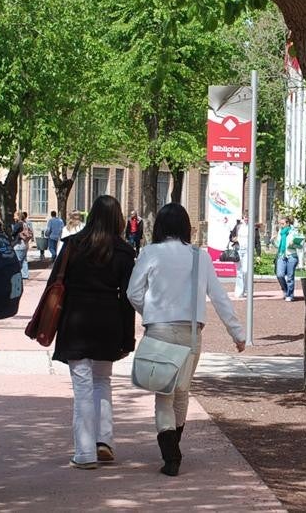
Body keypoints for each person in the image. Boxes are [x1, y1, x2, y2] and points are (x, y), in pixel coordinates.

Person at [127, 203, 245, 476]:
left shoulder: (150, 253)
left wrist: (151, 312)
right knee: (181, 392)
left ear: (159, 227)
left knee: (163, 394)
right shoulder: (199, 256)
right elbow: (219, 297)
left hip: (160, 330)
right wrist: (236, 333)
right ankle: (173, 448)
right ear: (185, 227)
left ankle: (171, 455)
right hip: (192, 333)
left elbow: (134, 292)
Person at [53, 195, 136, 469]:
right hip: (108, 320)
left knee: (83, 387)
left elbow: (55, 284)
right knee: (103, 382)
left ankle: (85, 451)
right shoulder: (124, 252)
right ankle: (104, 441)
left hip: (76, 320)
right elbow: (128, 298)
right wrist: (128, 337)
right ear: (118, 219)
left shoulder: (72, 246)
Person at [274, 217, 299, 301]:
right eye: (280, 224)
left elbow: (300, 245)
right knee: (279, 274)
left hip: (291, 255)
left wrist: (293, 244)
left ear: (288, 223)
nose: (281, 226)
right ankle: (285, 289)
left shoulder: (294, 231)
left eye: (283, 224)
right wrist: (273, 241)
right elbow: (278, 245)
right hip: (281, 255)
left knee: (290, 276)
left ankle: (290, 295)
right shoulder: (280, 232)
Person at [12, 211, 34, 280]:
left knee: (18, 261)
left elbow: (13, 233)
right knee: (24, 260)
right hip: (25, 243)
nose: (13, 217)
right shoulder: (25, 223)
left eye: (15, 216)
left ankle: (17, 275)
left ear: (18, 216)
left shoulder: (18, 224)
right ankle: (25, 275)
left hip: (19, 244)